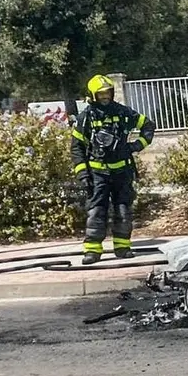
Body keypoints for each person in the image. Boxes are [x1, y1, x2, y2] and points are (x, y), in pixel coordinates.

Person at [70, 74, 156, 264]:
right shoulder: (86, 118)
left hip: (122, 173)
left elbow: (148, 126)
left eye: (107, 93)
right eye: (101, 94)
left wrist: (135, 146)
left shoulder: (123, 112)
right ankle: (92, 251)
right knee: (96, 211)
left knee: (123, 210)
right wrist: (83, 173)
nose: (105, 97)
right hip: (97, 174)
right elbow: (77, 147)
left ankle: (123, 247)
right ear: (93, 95)